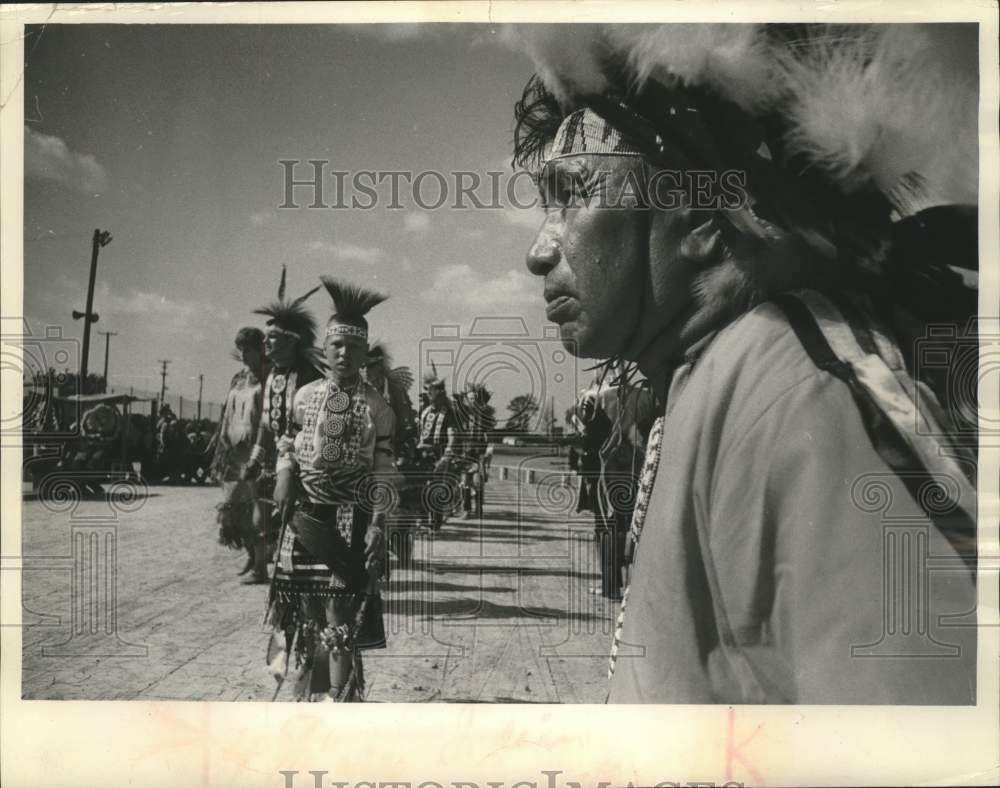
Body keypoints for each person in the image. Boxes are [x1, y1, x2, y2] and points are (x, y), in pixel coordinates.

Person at [508, 24, 977, 703]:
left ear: (700, 214)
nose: (538, 250)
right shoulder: (710, 375)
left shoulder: (796, 390)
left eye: (572, 194)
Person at [265, 276, 396, 702]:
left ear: (365, 352)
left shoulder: (377, 405)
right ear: (325, 348)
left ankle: (339, 699)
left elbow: (383, 467)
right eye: (337, 345)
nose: (344, 354)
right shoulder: (304, 397)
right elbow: (286, 440)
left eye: (354, 347)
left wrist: (378, 522)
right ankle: (311, 691)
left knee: (340, 608)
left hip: (351, 515)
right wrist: (284, 472)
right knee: (306, 609)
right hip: (306, 514)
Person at [242, 266, 323, 584]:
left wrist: (293, 466)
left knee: (300, 523)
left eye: (273, 340)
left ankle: (308, 576)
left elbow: (312, 429)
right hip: (275, 459)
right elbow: (266, 423)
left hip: (304, 461)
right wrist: (256, 457)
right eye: (266, 340)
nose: (267, 347)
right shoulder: (272, 376)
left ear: (293, 341)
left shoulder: (311, 378)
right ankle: (263, 568)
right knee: (261, 516)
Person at [210, 327, 266, 578]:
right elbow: (227, 412)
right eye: (241, 349)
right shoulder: (237, 379)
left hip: (255, 453)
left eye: (249, 349)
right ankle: (251, 557)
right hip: (233, 451)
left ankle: (261, 565)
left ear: (260, 350)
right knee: (233, 509)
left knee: (257, 508)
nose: (244, 354)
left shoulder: (267, 378)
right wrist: (222, 441)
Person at [416, 369, 459, 529]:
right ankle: (422, 519)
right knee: (420, 487)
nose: (428, 394)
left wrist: (448, 453)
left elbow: (452, 435)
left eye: (430, 391)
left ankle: (434, 523)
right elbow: (419, 433)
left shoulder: (448, 414)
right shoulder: (425, 412)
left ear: (439, 393)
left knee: (435, 488)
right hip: (422, 453)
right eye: (427, 391)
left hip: (439, 454)